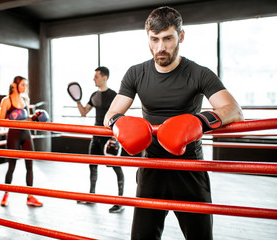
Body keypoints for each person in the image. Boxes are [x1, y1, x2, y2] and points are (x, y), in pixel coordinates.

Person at [104, 6, 244, 239]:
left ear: (180, 36)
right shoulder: (135, 74)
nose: (160, 47)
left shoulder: (199, 73)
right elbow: (112, 112)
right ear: (147, 38)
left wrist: (199, 121)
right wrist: (119, 123)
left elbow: (234, 110)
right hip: (152, 168)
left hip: (189, 169)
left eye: (168, 38)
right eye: (154, 39)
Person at [72, 66, 125, 213]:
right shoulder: (94, 95)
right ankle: (91, 196)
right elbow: (84, 112)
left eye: (96, 76)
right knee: (92, 165)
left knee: (116, 167)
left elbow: (120, 116)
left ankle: (120, 201)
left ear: (104, 77)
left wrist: (116, 138)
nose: (94, 78)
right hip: (96, 135)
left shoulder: (114, 95)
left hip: (109, 136)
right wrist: (77, 100)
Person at [0, 76, 43, 207]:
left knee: (29, 165)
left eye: (26, 85)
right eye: (23, 85)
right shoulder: (6, 101)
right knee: (11, 166)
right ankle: (6, 194)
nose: (25, 88)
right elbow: (0, 120)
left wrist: (35, 117)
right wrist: (10, 118)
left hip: (26, 133)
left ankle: (30, 196)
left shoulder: (25, 99)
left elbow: (27, 118)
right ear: (15, 85)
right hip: (14, 134)